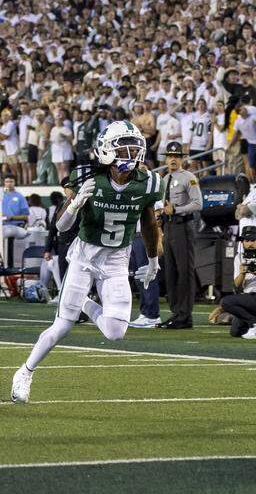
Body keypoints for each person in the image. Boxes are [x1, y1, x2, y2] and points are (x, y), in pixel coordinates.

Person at [11, 121, 164, 404]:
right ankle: (25, 371)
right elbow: (61, 227)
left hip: (117, 259)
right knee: (63, 326)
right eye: (125, 148)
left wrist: (153, 259)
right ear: (107, 150)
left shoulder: (150, 183)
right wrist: (75, 203)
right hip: (85, 257)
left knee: (116, 332)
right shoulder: (87, 178)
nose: (132, 154)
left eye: (135, 148)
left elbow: (149, 223)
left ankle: (84, 303)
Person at [153, 141, 202, 330]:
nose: (172, 159)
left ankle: (185, 315)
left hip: (183, 227)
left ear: (182, 159)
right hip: (169, 227)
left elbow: (198, 204)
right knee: (171, 272)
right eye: (170, 156)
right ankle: (176, 312)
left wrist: (177, 210)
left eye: (176, 156)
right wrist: (160, 215)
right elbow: (164, 206)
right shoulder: (165, 179)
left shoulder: (189, 177)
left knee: (184, 271)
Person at [1, 173, 29, 267]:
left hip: (15, 227)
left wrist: (12, 217)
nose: (9, 184)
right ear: (4, 183)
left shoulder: (20, 197)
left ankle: (10, 267)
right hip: (2, 226)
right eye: (7, 181)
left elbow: (25, 217)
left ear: (15, 182)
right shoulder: (1, 196)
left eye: (11, 181)